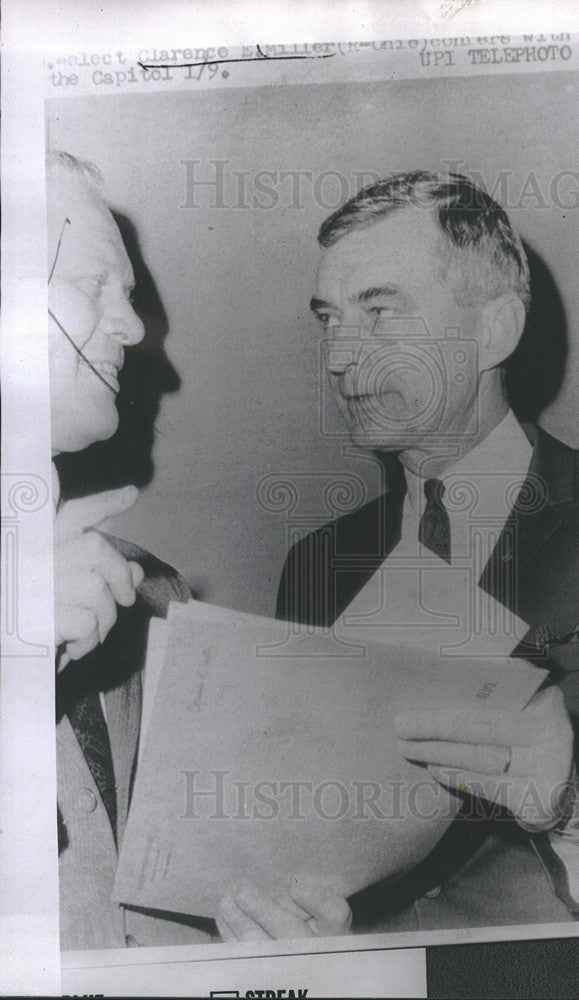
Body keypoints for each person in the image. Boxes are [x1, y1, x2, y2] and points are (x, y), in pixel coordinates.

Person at [259, 170, 579, 933]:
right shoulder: (314, 569)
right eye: (328, 320)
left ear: (494, 331)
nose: (339, 358)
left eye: (378, 313)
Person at [49, 150, 350, 949]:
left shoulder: (153, 595)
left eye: (130, 293)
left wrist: (264, 946)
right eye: (89, 286)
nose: (135, 326)